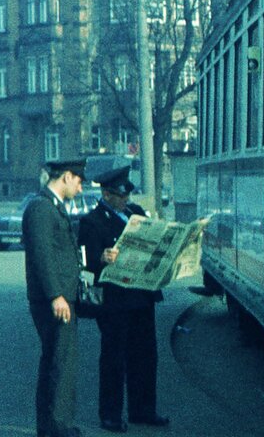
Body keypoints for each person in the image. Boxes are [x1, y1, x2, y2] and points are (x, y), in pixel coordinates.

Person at [78, 162, 168, 433]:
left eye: (127, 193)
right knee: (114, 357)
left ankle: (143, 409)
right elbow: (84, 262)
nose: (126, 199)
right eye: (120, 194)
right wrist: (100, 258)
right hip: (114, 302)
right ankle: (110, 414)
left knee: (145, 355)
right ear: (106, 195)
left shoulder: (136, 214)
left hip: (142, 296)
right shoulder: (91, 222)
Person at [24, 158, 86, 437]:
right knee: (59, 362)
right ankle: (58, 428)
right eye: (79, 181)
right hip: (54, 301)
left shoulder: (51, 207)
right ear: (66, 177)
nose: (81, 188)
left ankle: (53, 427)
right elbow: (42, 256)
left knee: (59, 360)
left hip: (60, 298)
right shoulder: (41, 208)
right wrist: (56, 295)